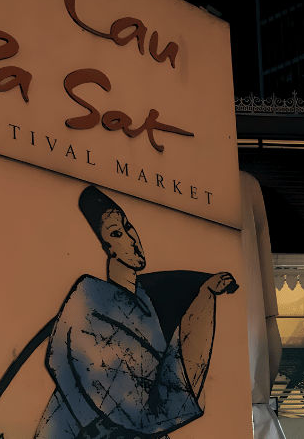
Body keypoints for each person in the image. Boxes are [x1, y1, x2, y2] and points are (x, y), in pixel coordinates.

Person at [33, 186, 236, 439]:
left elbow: (161, 382)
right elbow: (134, 403)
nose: (131, 239)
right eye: (116, 234)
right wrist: (202, 303)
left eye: (128, 227)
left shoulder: (145, 303)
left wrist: (204, 299)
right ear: (108, 248)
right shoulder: (88, 298)